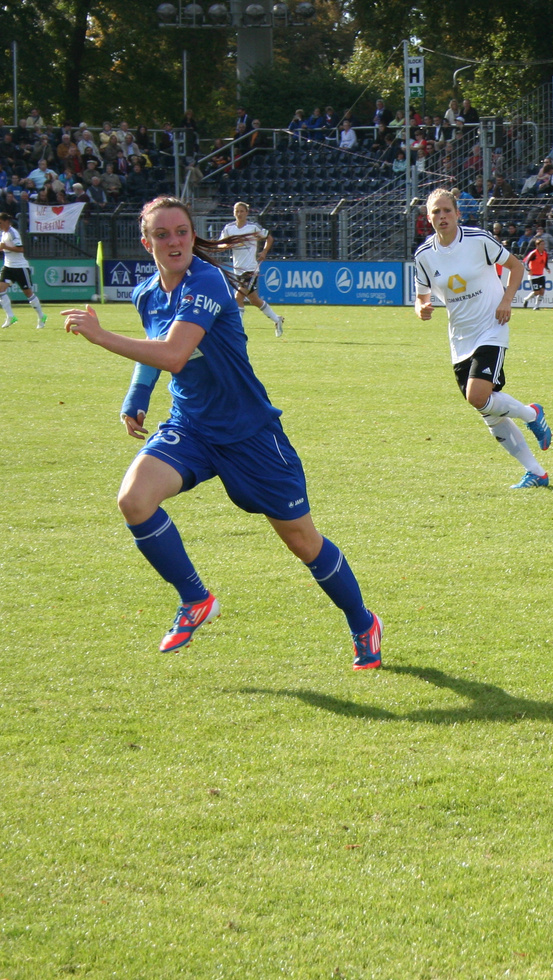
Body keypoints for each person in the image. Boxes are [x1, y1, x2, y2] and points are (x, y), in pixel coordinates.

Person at [59, 196, 381, 667]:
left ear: (193, 236)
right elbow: (156, 349)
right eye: (163, 234)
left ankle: (362, 622)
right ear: (146, 242)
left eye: (182, 232)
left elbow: (173, 352)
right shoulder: (147, 292)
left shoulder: (207, 281)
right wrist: (137, 397)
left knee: (302, 542)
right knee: (134, 499)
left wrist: (100, 335)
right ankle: (195, 598)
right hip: (191, 425)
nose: (174, 241)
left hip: (250, 434)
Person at [411, 187, 553, 490]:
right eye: (436, 211)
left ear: (458, 213)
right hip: (459, 338)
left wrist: (507, 300)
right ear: (428, 218)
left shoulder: (478, 240)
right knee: (487, 409)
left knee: (477, 396)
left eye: (447, 210)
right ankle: (537, 472)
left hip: (491, 326)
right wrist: (421, 307)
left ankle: (531, 415)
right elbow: (421, 295)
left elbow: (516, 266)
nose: (442, 216)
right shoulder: (424, 255)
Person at [216, 202, 283, 337]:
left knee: (238, 297)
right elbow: (220, 245)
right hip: (237, 269)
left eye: (242, 211)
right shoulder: (229, 229)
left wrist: (264, 252)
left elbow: (269, 237)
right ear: (234, 213)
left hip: (251, 268)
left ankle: (238, 330)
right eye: (237, 211)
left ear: (246, 213)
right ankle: (277, 319)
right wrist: (227, 245)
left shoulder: (253, 228)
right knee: (254, 299)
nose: (239, 214)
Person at [0, 211, 45, 329]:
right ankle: (10, 316)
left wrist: (4, 247)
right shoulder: (4, 233)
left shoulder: (13, 233)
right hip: (8, 266)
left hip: (20, 267)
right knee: (0, 290)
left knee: (28, 294)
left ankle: (41, 316)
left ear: (7, 222)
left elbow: (21, 249)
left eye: (0, 223)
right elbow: (4, 246)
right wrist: (1, 247)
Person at [524, 236, 550, 310]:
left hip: (541, 275)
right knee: (536, 292)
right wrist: (528, 270)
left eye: (543, 244)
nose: (543, 246)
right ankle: (526, 299)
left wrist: (547, 268)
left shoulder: (545, 254)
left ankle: (536, 306)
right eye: (541, 245)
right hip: (533, 276)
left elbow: (545, 263)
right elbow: (526, 262)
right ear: (537, 246)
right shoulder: (533, 253)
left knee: (542, 291)